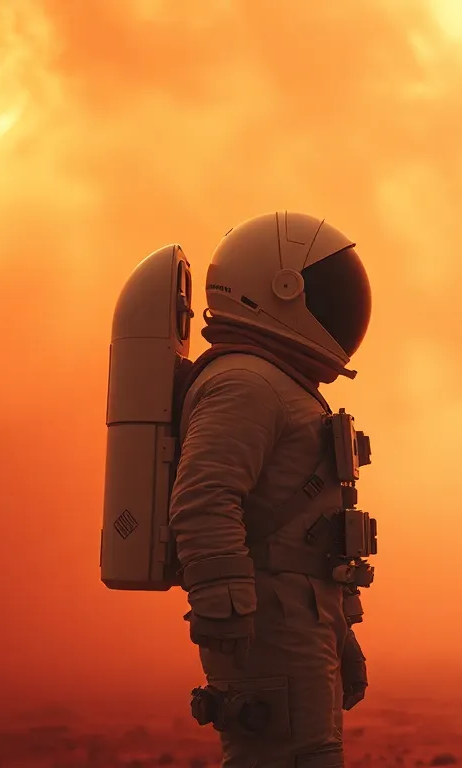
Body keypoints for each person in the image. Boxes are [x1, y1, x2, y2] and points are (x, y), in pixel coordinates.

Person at [170, 211, 375, 768]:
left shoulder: (275, 383)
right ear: (283, 289)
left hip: (295, 612)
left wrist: (339, 628)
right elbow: (204, 498)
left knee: (309, 756)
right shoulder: (247, 383)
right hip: (266, 617)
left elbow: (309, 527)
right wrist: (225, 614)